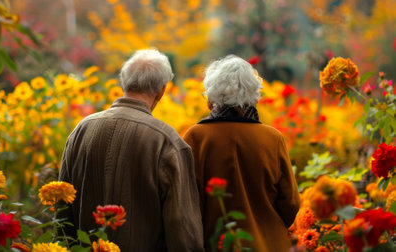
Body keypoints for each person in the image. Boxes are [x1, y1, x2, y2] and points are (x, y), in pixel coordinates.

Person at [58, 49, 204, 251]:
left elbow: (62, 210)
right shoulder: (167, 141)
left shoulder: (81, 130)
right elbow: (182, 228)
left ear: (123, 83)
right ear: (161, 91)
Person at [183, 55, 300, 252]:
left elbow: (186, 202)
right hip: (269, 244)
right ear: (254, 95)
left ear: (211, 97)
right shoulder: (273, 138)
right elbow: (291, 203)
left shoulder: (196, 137)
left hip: (215, 244)